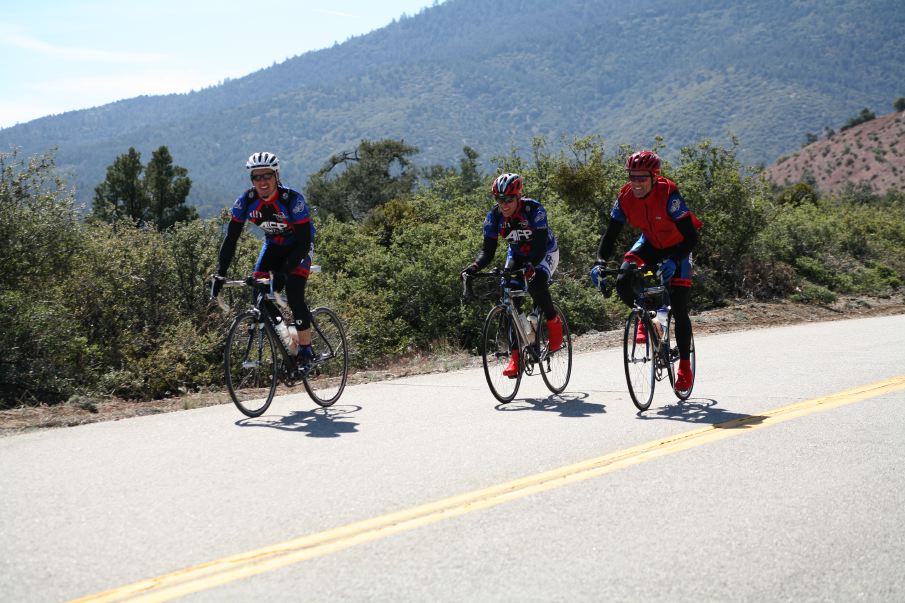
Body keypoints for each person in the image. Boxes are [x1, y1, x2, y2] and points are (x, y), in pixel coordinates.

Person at [592, 150, 700, 390]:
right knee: (623, 279)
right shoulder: (625, 197)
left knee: (680, 306)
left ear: (654, 177)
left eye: (642, 178)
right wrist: (600, 262)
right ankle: (648, 317)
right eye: (632, 177)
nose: (636, 183)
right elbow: (610, 235)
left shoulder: (668, 193)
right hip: (650, 243)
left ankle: (684, 366)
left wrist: (675, 259)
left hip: (678, 245)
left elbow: (691, 236)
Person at [211, 151, 316, 370]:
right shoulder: (246, 202)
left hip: (299, 247)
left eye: (267, 175)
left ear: (277, 176)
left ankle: (306, 350)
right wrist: (220, 274)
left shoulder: (292, 200)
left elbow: (304, 241)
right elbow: (231, 240)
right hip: (274, 246)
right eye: (256, 177)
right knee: (260, 295)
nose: (262, 181)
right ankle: (288, 338)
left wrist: (285, 273)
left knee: (294, 291)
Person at [462, 172, 563, 377]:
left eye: (509, 199)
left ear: (518, 196)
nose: (504, 204)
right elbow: (487, 252)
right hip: (516, 253)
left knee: (536, 283)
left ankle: (553, 321)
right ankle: (516, 357)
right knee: (508, 297)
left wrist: (530, 265)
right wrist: (473, 267)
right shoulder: (494, 217)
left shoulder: (534, 210)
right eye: (500, 200)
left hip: (544, 252)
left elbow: (540, 244)